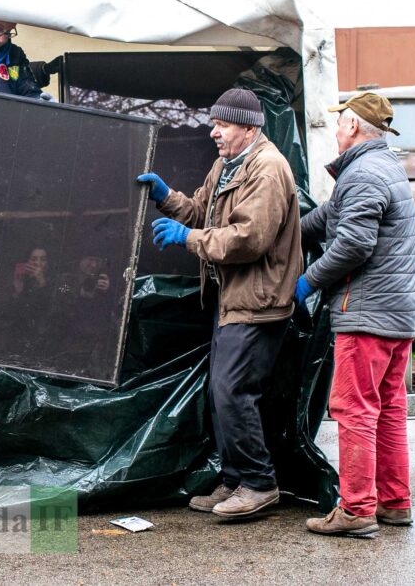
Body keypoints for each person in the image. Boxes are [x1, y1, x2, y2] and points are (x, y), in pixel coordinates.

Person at [136, 88, 302, 519]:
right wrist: (167, 197)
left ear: (249, 127)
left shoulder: (267, 170)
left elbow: (249, 240)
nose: (214, 132)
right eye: (215, 124)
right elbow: (199, 212)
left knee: (233, 391)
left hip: (258, 302)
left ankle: (260, 483)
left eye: (222, 125)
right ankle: (234, 479)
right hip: (232, 299)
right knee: (221, 391)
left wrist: (186, 239)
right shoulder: (228, 165)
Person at [298, 92, 415, 537]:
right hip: (398, 314)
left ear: (352, 127)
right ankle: (394, 503)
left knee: (353, 409)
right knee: (388, 410)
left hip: (367, 313)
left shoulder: (363, 174)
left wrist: (309, 279)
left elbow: (353, 244)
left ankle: (355, 509)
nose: (334, 131)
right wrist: (283, 230)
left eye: (338, 124)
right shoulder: (383, 168)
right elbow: (328, 216)